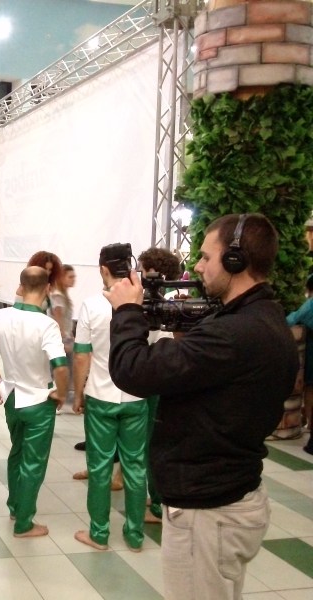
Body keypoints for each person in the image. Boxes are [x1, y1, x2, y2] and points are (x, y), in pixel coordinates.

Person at [105, 213, 298, 599]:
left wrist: (127, 312)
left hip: (209, 514)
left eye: (207, 257)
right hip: (226, 495)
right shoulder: (261, 318)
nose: (197, 266)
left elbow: (133, 370)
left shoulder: (235, 333)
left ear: (235, 260)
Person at [0, 266, 68, 538]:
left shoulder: (2, 316)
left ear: (21, 286)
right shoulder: (47, 324)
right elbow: (60, 366)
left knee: (17, 453)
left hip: (12, 397)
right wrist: (61, 393)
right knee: (34, 463)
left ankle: (15, 506)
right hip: (39, 400)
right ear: (47, 289)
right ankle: (24, 523)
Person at [73, 243, 148, 553]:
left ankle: (99, 534)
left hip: (100, 396)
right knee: (136, 466)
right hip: (137, 397)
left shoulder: (91, 305)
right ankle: (135, 535)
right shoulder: (145, 302)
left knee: (100, 467)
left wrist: (78, 392)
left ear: (104, 270)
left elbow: (82, 355)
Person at [137, 246, 182, 523]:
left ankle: (158, 504)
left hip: (156, 382)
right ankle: (158, 498)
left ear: (154, 272)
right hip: (171, 382)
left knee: (150, 446)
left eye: (142, 270)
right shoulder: (179, 301)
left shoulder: (158, 304)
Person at [285, 272, 313, 455]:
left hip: (312, 356)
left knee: (311, 389)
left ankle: (310, 426)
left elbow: (291, 320)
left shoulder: (311, 305)